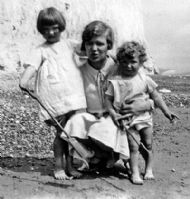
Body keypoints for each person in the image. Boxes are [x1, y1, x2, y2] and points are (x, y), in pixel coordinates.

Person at [63, 21, 155, 170]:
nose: (94, 49)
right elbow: (64, 48)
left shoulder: (121, 66)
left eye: (99, 44)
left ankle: (113, 156)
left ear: (109, 45)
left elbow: (148, 90)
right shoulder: (80, 70)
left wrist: (146, 105)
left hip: (117, 118)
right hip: (92, 117)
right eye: (89, 44)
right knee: (74, 123)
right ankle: (100, 155)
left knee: (108, 129)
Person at [19, 7, 87, 180]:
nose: (50, 32)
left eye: (55, 27)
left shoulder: (70, 44)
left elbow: (90, 53)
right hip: (55, 98)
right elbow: (31, 69)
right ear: (41, 30)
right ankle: (58, 166)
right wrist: (24, 81)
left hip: (74, 95)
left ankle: (70, 166)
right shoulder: (40, 50)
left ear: (61, 26)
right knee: (60, 133)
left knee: (71, 133)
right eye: (46, 29)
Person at [105, 41, 178, 184]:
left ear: (141, 62)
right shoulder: (115, 81)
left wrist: (166, 111)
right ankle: (135, 173)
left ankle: (149, 168)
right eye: (124, 62)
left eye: (132, 62)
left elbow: (156, 96)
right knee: (133, 146)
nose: (128, 65)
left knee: (148, 144)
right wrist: (113, 113)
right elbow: (107, 100)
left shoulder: (145, 79)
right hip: (127, 118)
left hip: (144, 117)